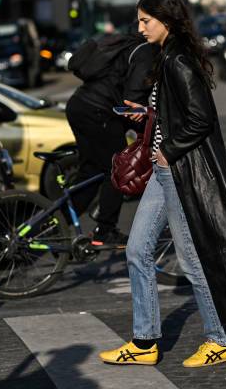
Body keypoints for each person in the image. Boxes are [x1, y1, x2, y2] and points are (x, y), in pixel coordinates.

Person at [99, 0, 226, 368]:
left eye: (146, 20)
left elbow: (201, 118)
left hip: (175, 171)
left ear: (166, 19)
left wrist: (169, 150)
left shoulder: (177, 59)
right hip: (163, 172)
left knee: (192, 260)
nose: (140, 27)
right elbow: (176, 111)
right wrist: (147, 114)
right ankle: (145, 343)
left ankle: (221, 339)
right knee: (136, 251)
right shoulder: (166, 56)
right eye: (139, 20)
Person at [66, 32, 159, 246]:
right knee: (119, 170)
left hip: (81, 105)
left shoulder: (125, 44)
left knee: (90, 173)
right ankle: (105, 230)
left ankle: (51, 225)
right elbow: (131, 99)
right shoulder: (145, 51)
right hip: (99, 111)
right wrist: (150, 123)